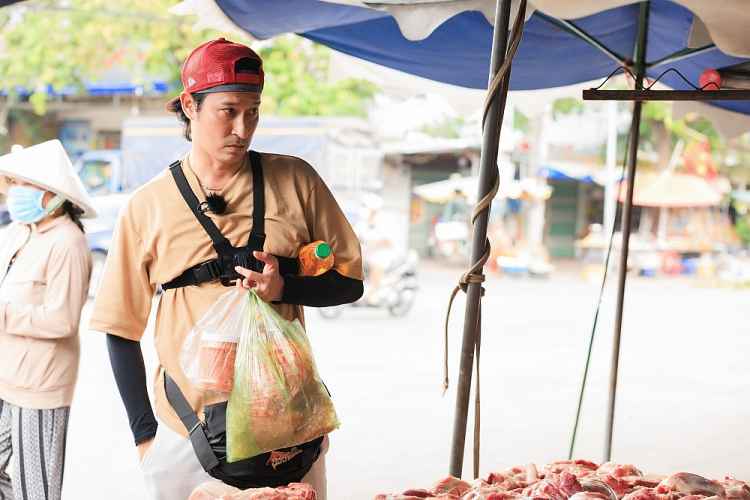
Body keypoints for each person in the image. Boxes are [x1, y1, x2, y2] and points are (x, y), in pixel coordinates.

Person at [88, 38, 363, 500]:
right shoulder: (147, 205)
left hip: (287, 427)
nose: (243, 127)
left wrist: (284, 286)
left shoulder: (297, 180)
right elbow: (119, 328)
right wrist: (145, 437)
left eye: (253, 111)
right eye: (228, 110)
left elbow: (348, 282)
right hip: (186, 429)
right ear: (190, 107)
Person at [0, 139, 95, 500]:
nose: (15, 193)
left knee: (35, 489)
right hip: (6, 379)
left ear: (52, 194)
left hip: (40, 386)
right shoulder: (20, 235)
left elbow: (62, 321)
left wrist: (4, 315)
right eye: (14, 184)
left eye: (24, 185)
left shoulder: (68, 243)